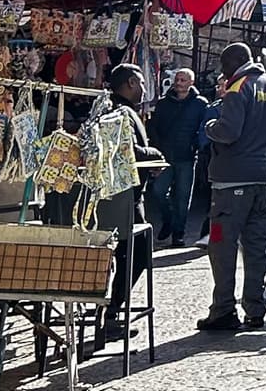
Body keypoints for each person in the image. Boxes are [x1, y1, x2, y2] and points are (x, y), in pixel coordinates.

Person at [199, 42, 266, 333]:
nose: (223, 72)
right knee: (256, 248)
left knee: (222, 246)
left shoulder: (238, 87)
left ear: (233, 62)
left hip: (231, 182)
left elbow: (228, 132)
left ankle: (223, 310)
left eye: (224, 66)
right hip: (262, 180)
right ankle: (255, 309)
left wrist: (210, 127)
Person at [91, 65, 164, 339]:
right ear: (131, 83)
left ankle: (109, 312)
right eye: (142, 82)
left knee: (129, 255)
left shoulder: (115, 109)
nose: (145, 88)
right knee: (138, 252)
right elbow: (127, 151)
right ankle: (110, 311)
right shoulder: (121, 112)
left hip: (123, 196)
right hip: (125, 199)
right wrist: (153, 154)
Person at [148, 68, 209, 248]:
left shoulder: (200, 104)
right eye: (177, 79)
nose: (179, 83)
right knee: (158, 191)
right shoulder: (163, 103)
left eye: (183, 80)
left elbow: (204, 129)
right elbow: (154, 126)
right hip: (165, 156)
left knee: (182, 198)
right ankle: (168, 220)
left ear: (191, 83)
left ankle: (178, 233)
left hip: (187, 156)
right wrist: (157, 147)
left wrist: (196, 145)